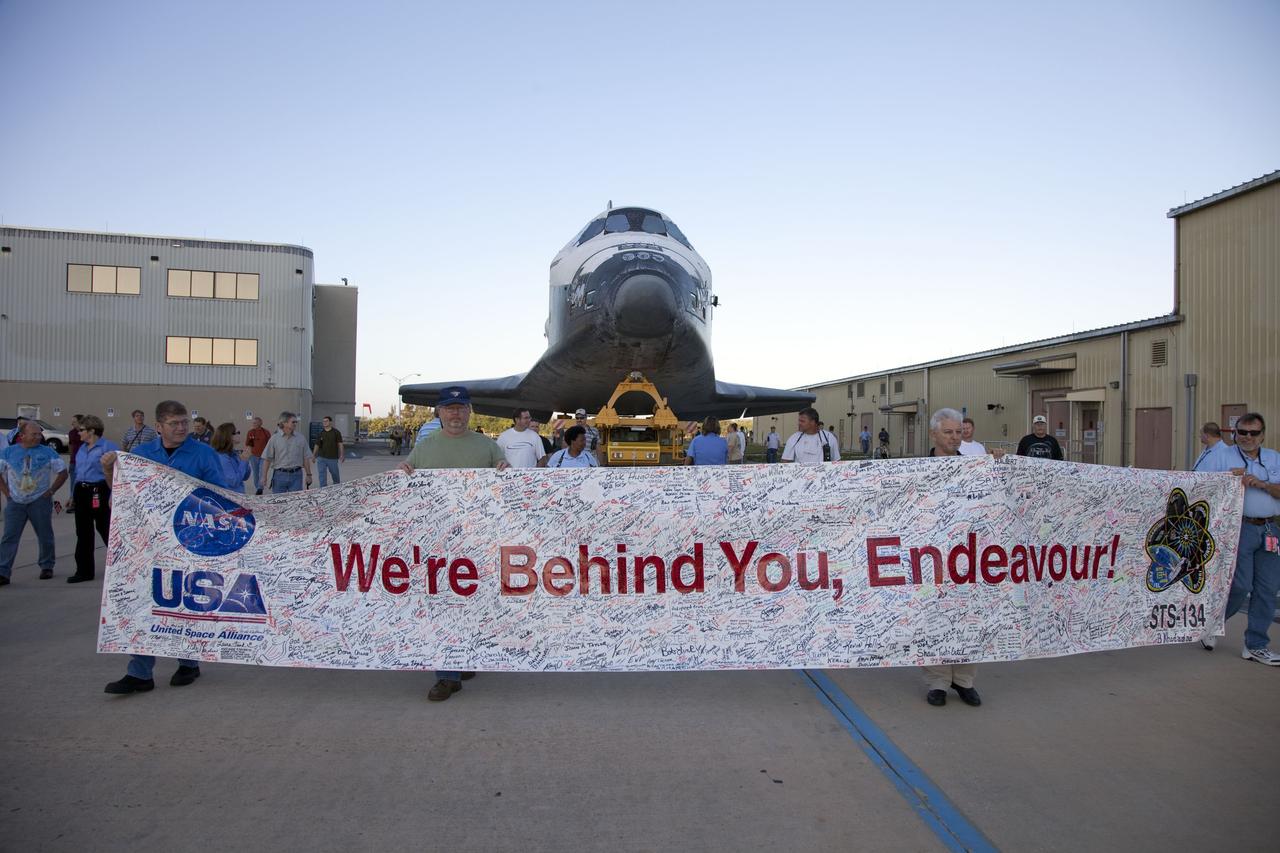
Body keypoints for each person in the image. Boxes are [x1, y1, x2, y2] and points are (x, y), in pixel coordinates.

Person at [100, 400, 223, 693]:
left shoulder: (203, 454)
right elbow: (121, 495)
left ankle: (188, 663)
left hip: (191, 541)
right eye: (174, 423)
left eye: (184, 422)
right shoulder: (141, 455)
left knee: (187, 601)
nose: (181, 428)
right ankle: (140, 672)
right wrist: (108, 472)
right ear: (159, 427)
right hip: (148, 542)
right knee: (145, 599)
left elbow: (223, 494)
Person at [398, 386, 509, 701]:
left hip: (476, 541)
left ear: (470, 411)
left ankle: (464, 658)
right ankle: (447, 675)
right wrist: (402, 474)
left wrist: (506, 473)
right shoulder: (425, 448)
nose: (456, 413)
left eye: (461, 407)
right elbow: (406, 479)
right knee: (443, 604)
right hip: (438, 542)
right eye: (449, 408)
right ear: (439, 412)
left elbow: (506, 488)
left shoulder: (488, 448)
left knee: (474, 602)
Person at [1199, 412, 1280, 663]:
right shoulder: (1221, 456)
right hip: (1237, 528)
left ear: (1262, 435)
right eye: (1242, 432)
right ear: (1235, 433)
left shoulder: (1273, 458)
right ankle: (1213, 623)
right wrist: (1226, 480)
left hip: (1269, 529)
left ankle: (1256, 645)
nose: (1247, 437)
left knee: (1267, 588)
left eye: (1253, 433)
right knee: (1240, 585)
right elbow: (1200, 485)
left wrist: (1261, 484)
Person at [921, 408, 983, 706]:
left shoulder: (974, 468)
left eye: (959, 432)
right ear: (934, 433)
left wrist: (1000, 465)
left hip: (966, 555)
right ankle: (938, 680)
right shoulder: (917, 469)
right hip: (929, 555)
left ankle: (964, 679)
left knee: (968, 616)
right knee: (934, 617)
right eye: (949, 432)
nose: (955, 437)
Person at [0, 421, 68, 585]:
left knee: (45, 535)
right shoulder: (8, 452)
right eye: (34, 434)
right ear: (22, 436)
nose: (38, 437)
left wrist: (51, 491)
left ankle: (46, 565)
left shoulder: (48, 452)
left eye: (39, 434)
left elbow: (63, 472)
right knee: (10, 537)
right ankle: (3, 571)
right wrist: (7, 493)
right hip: (15, 502)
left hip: (39, 500)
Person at [67, 415, 118, 583]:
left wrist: (112, 495)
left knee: (106, 530)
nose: (78, 433)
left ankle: (121, 567)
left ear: (92, 431)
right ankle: (84, 571)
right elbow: (78, 472)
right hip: (82, 491)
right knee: (83, 533)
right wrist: (72, 495)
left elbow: (118, 473)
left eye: (81, 430)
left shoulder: (108, 448)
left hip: (100, 490)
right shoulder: (82, 448)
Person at [261, 411, 313, 493]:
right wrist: (264, 477)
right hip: (279, 476)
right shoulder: (274, 439)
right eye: (293, 422)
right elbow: (267, 459)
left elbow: (305, 458)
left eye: (296, 422)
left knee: (295, 502)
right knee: (279, 502)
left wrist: (309, 475)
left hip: (296, 476)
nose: (295, 424)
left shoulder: (301, 438)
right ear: (284, 423)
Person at [212, 422, 252, 492]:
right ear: (229, 436)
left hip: (239, 496)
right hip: (230, 498)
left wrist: (246, 460)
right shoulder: (222, 457)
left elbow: (245, 477)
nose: (239, 434)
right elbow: (233, 482)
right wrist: (243, 462)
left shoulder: (234, 454)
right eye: (237, 432)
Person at [312, 416, 345, 486]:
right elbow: (317, 445)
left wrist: (342, 455)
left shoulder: (336, 432)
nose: (324, 422)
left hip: (332, 458)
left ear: (330, 422)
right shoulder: (321, 433)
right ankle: (323, 489)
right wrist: (314, 455)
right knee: (322, 474)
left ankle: (337, 487)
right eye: (323, 421)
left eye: (326, 421)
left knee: (335, 474)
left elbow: (340, 444)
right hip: (321, 457)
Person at [244, 416, 271, 495]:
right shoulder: (250, 432)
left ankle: (260, 488)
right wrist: (247, 454)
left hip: (263, 456)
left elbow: (270, 444)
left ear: (260, 423)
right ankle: (257, 487)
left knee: (262, 472)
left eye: (255, 423)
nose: (254, 424)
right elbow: (248, 444)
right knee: (255, 473)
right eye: (253, 423)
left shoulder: (266, 432)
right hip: (253, 456)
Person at [64, 414, 84, 510]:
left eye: (74, 421)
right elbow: (70, 446)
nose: (72, 423)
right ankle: (73, 502)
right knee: (73, 482)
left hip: (84, 462)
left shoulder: (85, 433)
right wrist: (71, 459)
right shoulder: (71, 433)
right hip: (74, 461)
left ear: (80, 422)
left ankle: (80, 502)